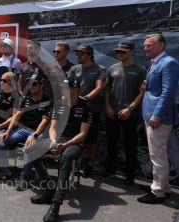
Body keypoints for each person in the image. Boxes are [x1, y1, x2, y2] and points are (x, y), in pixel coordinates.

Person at [30, 76, 92, 222]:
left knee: (66, 156)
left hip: (75, 142)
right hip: (58, 139)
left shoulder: (85, 106)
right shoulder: (59, 104)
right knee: (31, 149)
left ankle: (56, 204)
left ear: (75, 89)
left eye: (67, 88)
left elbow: (83, 134)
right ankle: (48, 187)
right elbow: (52, 127)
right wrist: (53, 142)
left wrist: (64, 145)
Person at [138, 33, 179, 204]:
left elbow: (168, 92)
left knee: (158, 155)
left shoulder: (169, 62)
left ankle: (158, 192)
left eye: (149, 45)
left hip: (158, 118)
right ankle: (165, 187)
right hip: (153, 114)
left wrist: (157, 114)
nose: (145, 48)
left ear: (161, 45)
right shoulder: (155, 63)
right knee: (164, 153)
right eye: (145, 45)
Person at [100, 40, 146, 187]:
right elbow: (107, 89)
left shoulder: (140, 69)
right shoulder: (112, 68)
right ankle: (109, 170)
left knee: (130, 146)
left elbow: (142, 92)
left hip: (129, 115)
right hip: (112, 112)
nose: (119, 54)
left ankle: (130, 176)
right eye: (117, 51)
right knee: (111, 143)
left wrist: (130, 109)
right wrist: (107, 106)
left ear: (131, 52)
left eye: (122, 51)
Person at [0, 73, 52, 191]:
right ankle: (5, 172)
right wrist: (8, 131)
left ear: (41, 85)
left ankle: (25, 178)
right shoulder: (26, 99)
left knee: (28, 147)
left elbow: (45, 121)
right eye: (29, 84)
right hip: (23, 130)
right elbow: (16, 117)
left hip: (37, 132)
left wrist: (35, 135)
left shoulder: (48, 101)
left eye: (34, 84)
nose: (31, 87)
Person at [68, 44, 107, 177]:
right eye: (77, 53)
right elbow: (68, 86)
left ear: (89, 55)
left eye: (82, 53)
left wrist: (85, 98)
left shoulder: (100, 69)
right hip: (75, 109)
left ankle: (89, 163)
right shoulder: (74, 68)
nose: (78, 56)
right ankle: (74, 162)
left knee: (91, 139)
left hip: (92, 108)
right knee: (75, 135)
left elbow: (100, 87)